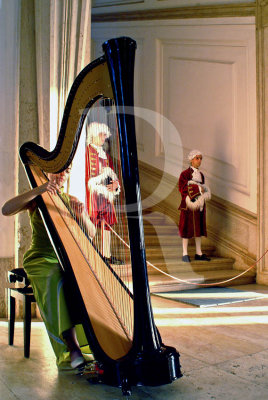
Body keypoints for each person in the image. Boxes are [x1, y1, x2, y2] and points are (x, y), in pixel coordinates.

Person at [2, 168, 96, 369]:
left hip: (64, 259)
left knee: (84, 279)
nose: (63, 174)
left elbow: (92, 233)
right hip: (40, 259)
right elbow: (6, 209)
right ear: (48, 172)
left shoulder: (71, 199)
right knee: (56, 276)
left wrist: (83, 216)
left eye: (67, 171)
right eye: (58, 170)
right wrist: (40, 189)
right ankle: (72, 347)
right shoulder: (37, 198)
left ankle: (97, 340)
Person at [85, 121, 121, 264]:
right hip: (92, 194)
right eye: (101, 134)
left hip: (105, 195)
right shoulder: (86, 153)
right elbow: (87, 177)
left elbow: (112, 174)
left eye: (105, 135)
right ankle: (88, 254)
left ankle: (106, 255)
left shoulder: (105, 155)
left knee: (107, 224)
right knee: (91, 223)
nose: (104, 138)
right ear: (93, 135)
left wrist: (115, 185)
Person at [178, 149, 211, 262]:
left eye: (200, 158)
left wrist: (203, 191)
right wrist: (198, 189)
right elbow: (182, 188)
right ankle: (185, 253)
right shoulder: (184, 174)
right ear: (191, 159)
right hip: (188, 205)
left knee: (199, 228)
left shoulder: (201, 175)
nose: (199, 160)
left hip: (200, 205)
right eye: (197, 158)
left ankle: (198, 252)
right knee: (186, 228)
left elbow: (203, 188)